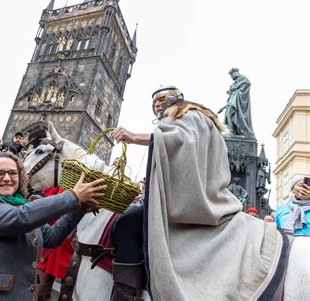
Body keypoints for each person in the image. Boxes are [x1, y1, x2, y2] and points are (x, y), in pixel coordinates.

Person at [112, 85, 285, 300]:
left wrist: (134, 137)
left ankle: (125, 295)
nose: (156, 104)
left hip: (192, 202)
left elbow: (179, 140)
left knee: (125, 225)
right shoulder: (199, 118)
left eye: (161, 98)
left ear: (177, 99)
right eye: (153, 101)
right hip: (209, 196)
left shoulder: (185, 115)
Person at [0, 152, 106, 300]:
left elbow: (51, 237)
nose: (7, 178)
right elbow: (18, 218)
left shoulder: (21, 205)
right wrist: (72, 197)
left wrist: (81, 207)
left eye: (13, 173)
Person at [217, 68, 255, 138]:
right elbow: (231, 96)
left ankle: (232, 131)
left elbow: (246, 85)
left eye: (231, 76)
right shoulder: (236, 82)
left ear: (235, 73)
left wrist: (233, 90)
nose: (231, 78)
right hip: (233, 102)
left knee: (229, 113)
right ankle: (232, 131)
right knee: (228, 114)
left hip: (238, 102)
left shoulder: (243, 79)